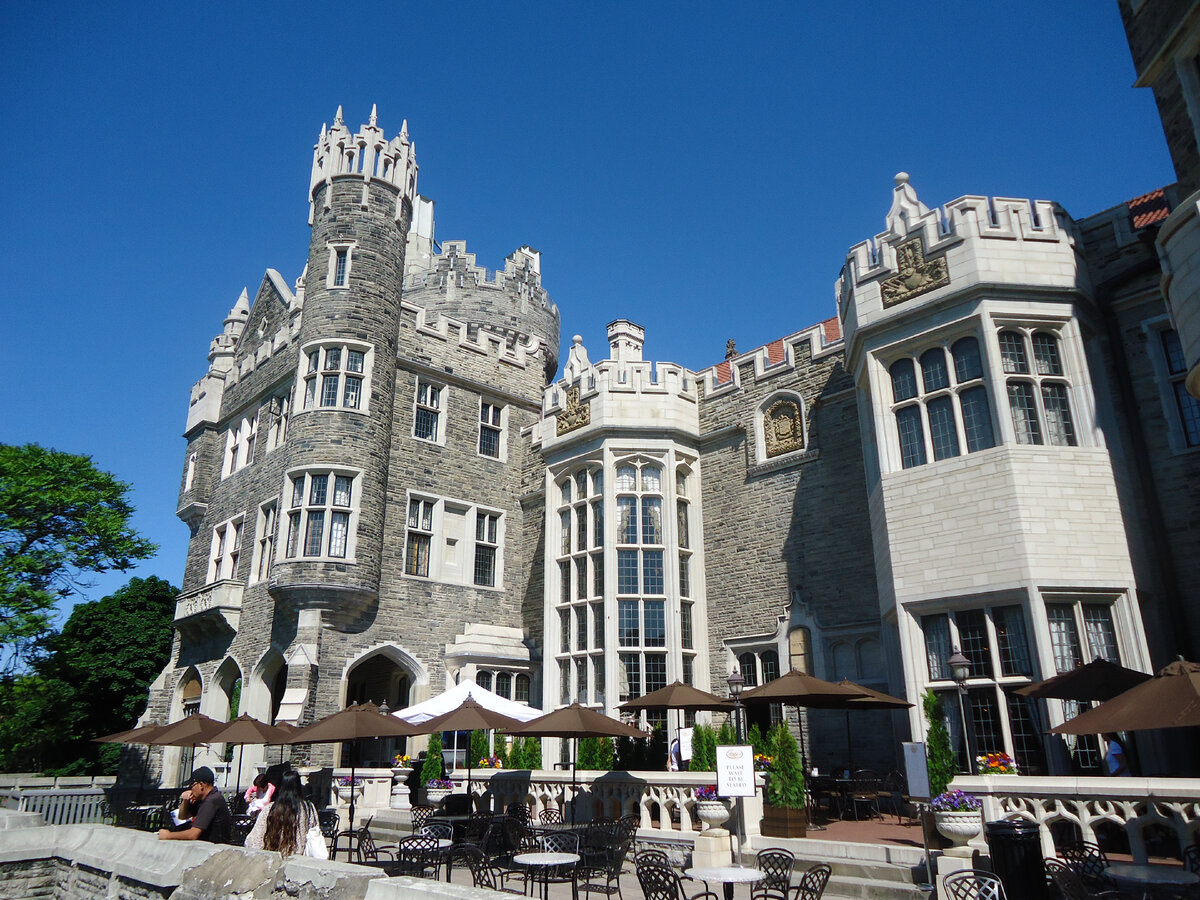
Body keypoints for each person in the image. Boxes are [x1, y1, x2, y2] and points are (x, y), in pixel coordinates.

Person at [244, 769, 321, 857]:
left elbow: (255, 837)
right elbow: (315, 831)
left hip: (274, 856)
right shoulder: (308, 807)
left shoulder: (271, 808)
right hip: (300, 858)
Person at [158, 766, 232, 843]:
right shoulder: (205, 798)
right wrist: (186, 800)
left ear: (201, 785)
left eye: (192, 785)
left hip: (216, 850)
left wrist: (168, 835)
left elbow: (193, 834)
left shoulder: (211, 801)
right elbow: (182, 816)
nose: (190, 789)